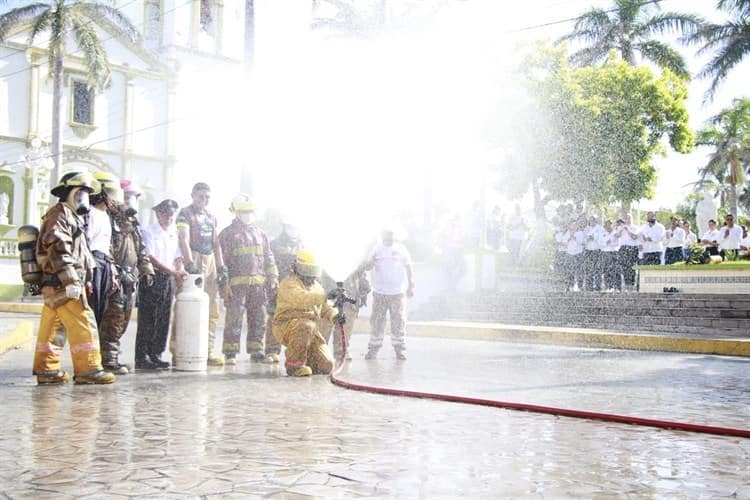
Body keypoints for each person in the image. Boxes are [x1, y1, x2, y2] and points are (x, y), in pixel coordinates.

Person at [32, 171, 115, 385]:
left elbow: (79, 253)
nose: (87, 199)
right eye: (85, 193)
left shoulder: (69, 215)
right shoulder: (61, 213)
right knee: (84, 322)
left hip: (56, 281)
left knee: (53, 327)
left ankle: (47, 370)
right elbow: (58, 248)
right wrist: (70, 280)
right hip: (62, 282)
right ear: (75, 193)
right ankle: (89, 369)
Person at [97, 180, 155, 374]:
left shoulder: (130, 221)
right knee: (112, 320)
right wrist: (113, 270)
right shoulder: (104, 219)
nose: (129, 202)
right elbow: (105, 248)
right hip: (114, 276)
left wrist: (146, 270)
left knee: (124, 319)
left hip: (130, 279)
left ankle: (110, 357)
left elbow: (141, 248)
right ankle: (108, 361)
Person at [218, 194, 278, 365]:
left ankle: (256, 350)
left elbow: (269, 257)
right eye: (244, 211)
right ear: (236, 212)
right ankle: (230, 353)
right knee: (234, 319)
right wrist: (223, 284)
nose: (248, 214)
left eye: (250, 211)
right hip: (236, 287)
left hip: (258, 287)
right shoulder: (227, 234)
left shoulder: (260, 234)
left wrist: (273, 277)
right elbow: (221, 262)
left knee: (258, 318)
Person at [175, 182, 226, 366]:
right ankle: (178, 349)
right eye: (200, 196)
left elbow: (216, 243)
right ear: (193, 195)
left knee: (212, 306)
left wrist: (221, 267)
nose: (204, 200)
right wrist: (189, 262)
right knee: (186, 304)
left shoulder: (211, 217)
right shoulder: (185, 214)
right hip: (194, 257)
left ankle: (208, 350)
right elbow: (183, 238)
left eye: (207, 197)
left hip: (209, 258)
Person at [134, 199, 187, 370]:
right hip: (152, 277)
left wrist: (180, 268)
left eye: (172, 214)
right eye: (165, 213)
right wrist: (173, 271)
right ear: (158, 214)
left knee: (163, 318)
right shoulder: (149, 232)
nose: (169, 217)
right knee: (148, 318)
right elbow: (151, 258)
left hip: (168, 279)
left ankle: (156, 354)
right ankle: (142, 356)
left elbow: (178, 256)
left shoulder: (173, 233)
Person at [272, 250, 338, 377]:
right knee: (306, 326)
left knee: (326, 365)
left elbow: (325, 306)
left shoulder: (316, 286)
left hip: (309, 330)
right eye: (308, 270)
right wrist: (326, 295)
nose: (311, 275)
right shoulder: (288, 284)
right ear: (298, 268)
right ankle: (294, 366)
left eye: (313, 271)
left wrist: (335, 316)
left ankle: (305, 356)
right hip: (286, 325)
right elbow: (303, 298)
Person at [362, 227, 414, 360]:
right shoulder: (376, 249)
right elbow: (367, 267)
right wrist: (372, 261)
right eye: (386, 234)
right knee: (377, 321)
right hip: (380, 292)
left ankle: (399, 350)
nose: (388, 237)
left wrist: (411, 285)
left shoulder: (401, 249)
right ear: (382, 235)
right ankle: (373, 349)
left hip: (397, 293)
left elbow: (409, 267)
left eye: (391, 234)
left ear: (394, 235)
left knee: (398, 321)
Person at [265, 217, 304, 363]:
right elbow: (269, 264)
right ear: (284, 227)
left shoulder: (303, 245)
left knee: (298, 319)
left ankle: (295, 353)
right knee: (276, 317)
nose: (292, 230)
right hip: (279, 286)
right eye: (290, 226)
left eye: (295, 226)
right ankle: (271, 350)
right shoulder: (275, 245)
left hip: (298, 288)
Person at [85, 171, 120, 327]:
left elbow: (107, 247)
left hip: (104, 263)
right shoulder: (89, 213)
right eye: (110, 194)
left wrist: (111, 270)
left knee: (102, 308)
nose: (113, 199)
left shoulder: (106, 216)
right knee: (92, 307)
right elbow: (86, 244)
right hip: (93, 262)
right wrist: (87, 275)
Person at [321, 267, 371, 361]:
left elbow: (361, 269)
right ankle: (320, 351)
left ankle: (341, 350)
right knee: (324, 326)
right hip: (327, 294)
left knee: (345, 323)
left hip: (348, 293)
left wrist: (363, 288)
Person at [616, 214, 640, 291]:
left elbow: (634, 237)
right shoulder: (621, 227)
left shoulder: (635, 227)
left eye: (629, 218)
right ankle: (626, 284)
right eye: (626, 218)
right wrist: (621, 229)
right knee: (624, 267)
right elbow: (617, 236)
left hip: (632, 248)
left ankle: (631, 285)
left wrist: (627, 229)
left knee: (632, 267)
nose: (627, 220)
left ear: (632, 219)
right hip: (623, 248)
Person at [582, 215, 603, 290]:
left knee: (597, 268)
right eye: (590, 220)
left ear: (595, 220)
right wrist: (588, 239)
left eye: (593, 220)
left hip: (597, 250)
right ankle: (589, 286)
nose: (592, 221)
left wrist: (594, 238)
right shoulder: (586, 229)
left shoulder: (600, 228)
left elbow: (601, 240)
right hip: (588, 251)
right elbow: (583, 240)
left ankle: (598, 286)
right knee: (588, 268)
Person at [599, 220, 620, 291]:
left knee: (615, 270)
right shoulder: (602, 233)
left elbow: (618, 243)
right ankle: (608, 286)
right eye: (607, 225)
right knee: (606, 270)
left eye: (610, 224)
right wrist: (606, 243)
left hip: (613, 252)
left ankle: (616, 287)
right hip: (605, 253)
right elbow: (600, 243)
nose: (608, 226)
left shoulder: (615, 233)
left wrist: (610, 243)